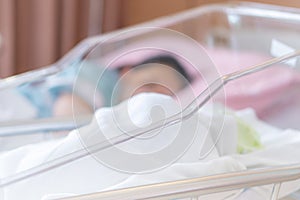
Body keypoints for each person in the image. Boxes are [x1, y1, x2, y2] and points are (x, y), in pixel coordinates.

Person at [53, 55, 193, 116]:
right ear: (127, 71)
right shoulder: (102, 79)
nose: (149, 95)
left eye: (163, 95)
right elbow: (66, 104)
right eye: (150, 84)